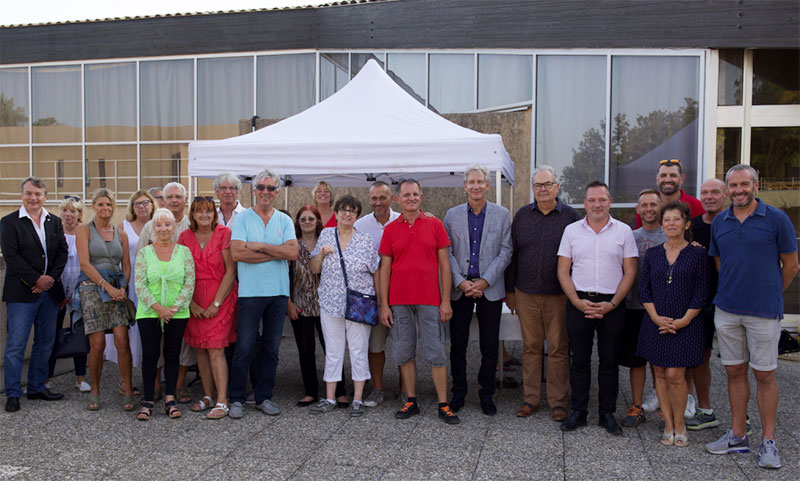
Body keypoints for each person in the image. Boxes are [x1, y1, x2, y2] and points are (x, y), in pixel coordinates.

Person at [705, 165, 799, 469]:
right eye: (733, 186)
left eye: (744, 184)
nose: (739, 190)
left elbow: (792, 265)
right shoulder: (721, 221)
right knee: (734, 373)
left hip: (763, 312)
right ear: (727, 190)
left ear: (756, 185)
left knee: (765, 375)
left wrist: (771, 292)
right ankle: (737, 435)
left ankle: (768, 441)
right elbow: (721, 263)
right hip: (728, 310)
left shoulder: (777, 220)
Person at [557, 181, 637, 435]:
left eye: (602, 200)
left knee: (609, 361)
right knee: (579, 360)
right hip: (578, 301)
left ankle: (606, 413)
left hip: (612, 303)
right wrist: (576, 301)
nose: (597, 204)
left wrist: (612, 303)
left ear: (609, 201)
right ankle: (578, 412)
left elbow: (630, 271)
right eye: (592, 200)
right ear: (585, 202)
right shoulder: (571, 231)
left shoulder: (624, 231)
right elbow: (563, 270)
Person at [379, 179, 458, 425]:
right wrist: (384, 305)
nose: (411, 198)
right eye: (406, 195)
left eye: (415, 194)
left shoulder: (435, 225)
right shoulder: (390, 230)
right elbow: (385, 269)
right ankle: (411, 400)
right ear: (397, 199)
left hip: (431, 300)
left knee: (436, 352)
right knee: (404, 351)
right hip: (399, 301)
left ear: (421, 196)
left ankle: (443, 404)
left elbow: (445, 266)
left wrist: (446, 301)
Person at [505, 166, 580, 421]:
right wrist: (510, 291)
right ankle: (531, 399)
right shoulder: (523, 216)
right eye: (538, 185)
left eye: (548, 184)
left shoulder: (571, 217)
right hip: (525, 292)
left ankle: (558, 402)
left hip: (559, 294)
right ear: (533, 189)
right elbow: (512, 255)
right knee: (531, 347)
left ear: (557, 187)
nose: (543, 189)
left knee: (559, 347)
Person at [636, 202, 709, 447]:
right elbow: (643, 289)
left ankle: (680, 424)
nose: (671, 224)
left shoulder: (698, 253)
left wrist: (683, 321)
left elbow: (702, 292)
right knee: (658, 373)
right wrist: (656, 318)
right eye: (667, 219)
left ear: (686, 224)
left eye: (676, 219)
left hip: (686, 323)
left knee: (676, 375)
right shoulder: (654, 254)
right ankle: (667, 424)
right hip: (655, 322)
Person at [228, 168, 299, 419]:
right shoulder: (244, 219)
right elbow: (237, 254)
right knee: (244, 347)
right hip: (250, 293)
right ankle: (236, 398)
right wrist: (275, 252)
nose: (265, 192)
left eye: (270, 188)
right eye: (261, 187)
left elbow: (292, 253)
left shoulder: (284, 220)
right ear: (254, 190)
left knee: (271, 349)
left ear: (277, 192)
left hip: (278, 293)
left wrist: (260, 247)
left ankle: (263, 396)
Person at [444, 164, 512, 416]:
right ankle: (458, 392)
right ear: (465, 186)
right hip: (460, 287)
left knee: (489, 345)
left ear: (487, 185)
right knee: (458, 345)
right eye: (471, 182)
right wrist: (461, 282)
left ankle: (486, 394)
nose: (475, 186)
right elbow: (446, 252)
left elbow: (506, 250)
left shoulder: (502, 214)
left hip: (490, 288)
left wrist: (485, 281)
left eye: (479, 182)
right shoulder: (451, 215)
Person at [2, 177, 68, 412]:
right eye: (29, 193)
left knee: (44, 342)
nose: (33, 198)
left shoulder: (54, 222)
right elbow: (11, 257)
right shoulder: (9, 222)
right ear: (22, 195)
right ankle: (12, 392)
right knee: (16, 345)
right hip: (21, 293)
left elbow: (62, 252)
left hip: (48, 294)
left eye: (38, 194)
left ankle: (37, 387)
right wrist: (35, 279)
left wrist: (48, 280)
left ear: (45, 197)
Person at [309, 195, 379, 416]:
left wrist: (378, 301)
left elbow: (376, 271)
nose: (347, 214)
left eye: (352, 210)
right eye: (343, 210)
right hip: (330, 303)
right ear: (336, 213)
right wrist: (320, 254)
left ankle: (357, 399)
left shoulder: (365, 240)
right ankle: (329, 398)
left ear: (357, 215)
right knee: (333, 350)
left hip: (358, 304)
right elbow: (314, 269)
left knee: (358, 350)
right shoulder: (326, 235)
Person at [75, 189, 134, 411]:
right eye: (100, 205)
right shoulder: (84, 230)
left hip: (116, 290)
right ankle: (95, 390)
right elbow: (85, 264)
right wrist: (106, 286)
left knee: (122, 341)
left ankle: (127, 389)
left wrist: (122, 287)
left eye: (108, 205)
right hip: (92, 289)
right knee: (97, 344)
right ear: (93, 207)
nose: (105, 209)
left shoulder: (122, 234)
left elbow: (126, 266)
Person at [178, 197, 237, 419]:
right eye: (199, 212)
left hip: (220, 296)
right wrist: (190, 303)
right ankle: (207, 395)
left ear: (215, 214)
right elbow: (181, 272)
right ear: (192, 214)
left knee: (215, 349)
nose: (204, 215)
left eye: (209, 211)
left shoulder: (224, 234)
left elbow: (230, 272)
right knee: (200, 349)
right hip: (194, 299)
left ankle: (222, 400)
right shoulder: (184, 237)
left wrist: (216, 304)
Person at [134, 208, 196, 420]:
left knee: (172, 355)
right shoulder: (144, 253)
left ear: (174, 228)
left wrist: (173, 308)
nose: (163, 229)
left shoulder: (184, 252)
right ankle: (148, 399)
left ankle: (170, 398)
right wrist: (158, 308)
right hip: (149, 313)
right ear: (152, 228)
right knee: (150, 355)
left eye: (167, 224)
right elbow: (140, 284)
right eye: (158, 225)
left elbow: (189, 283)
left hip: (177, 313)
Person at [288, 205, 347, 407]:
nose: (307, 222)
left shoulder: (328, 241)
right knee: (305, 350)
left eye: (311, 219)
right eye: (303, 219)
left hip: (326, 305)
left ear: (318, 222)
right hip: (300, 305)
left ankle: (340, 392)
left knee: (332, 349)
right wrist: (288, 302)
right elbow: (283, 275)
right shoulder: (291, 244)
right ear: (298, 223)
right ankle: (310, 392)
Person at [619, 189, 665, 428]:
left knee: (659, 362)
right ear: (638, 209)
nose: (648, 209)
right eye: (644, 205)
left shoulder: (671, 235)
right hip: (633, 306)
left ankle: (663, 408)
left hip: (661, 310)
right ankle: (637, 406)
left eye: (653, 205)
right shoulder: (629, 236)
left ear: (660, 208)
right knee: (635, 361)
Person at [685, 178, 727, 431]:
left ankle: (740, 415)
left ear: (726, 195)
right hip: (699, 302)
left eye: (715, 192)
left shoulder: (733, 224)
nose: (709, 196)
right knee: (699, 357)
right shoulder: (694, 226)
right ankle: (703, 408)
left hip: (728, 301)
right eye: (704, 192)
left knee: (736, 363)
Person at [355, 181, 401, 407]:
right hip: (373, 296)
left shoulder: (402, 219)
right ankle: (378, 388)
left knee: (404, 343)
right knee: (376, 346)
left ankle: (406, 389)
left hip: (402, 293)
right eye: (374, 198)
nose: (378, 202)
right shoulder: (361, 225)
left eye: (382, 198)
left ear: (391, 198)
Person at [105, 190, 156, 393]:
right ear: (131, 208)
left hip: (152, 283)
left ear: (152, 205)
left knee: (150, 334)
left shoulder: (158, 224)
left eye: (146, 203)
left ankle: (153, 379)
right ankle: (125, 381)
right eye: (137, 204)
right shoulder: (122, 227)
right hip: (129, 282)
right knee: (126, 334)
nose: (142, 206)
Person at [46, 196, 89, 393]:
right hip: (56, 293)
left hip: (79, 292)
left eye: (73, 211)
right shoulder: (54, 234)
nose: (68, 214)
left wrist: (77, 293)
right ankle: (46, 378)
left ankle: (80, 378)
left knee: (79, 334)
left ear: (80, 214)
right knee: (50, 335)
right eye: (65, 210)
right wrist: (59, 294)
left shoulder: (85, 234)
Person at [635, 159, 704, 228]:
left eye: (673, 175)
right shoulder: (647, 209)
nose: (668, 180)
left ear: (682, 179)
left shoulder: (697, 207)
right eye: (663, 175)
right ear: (657, 179)